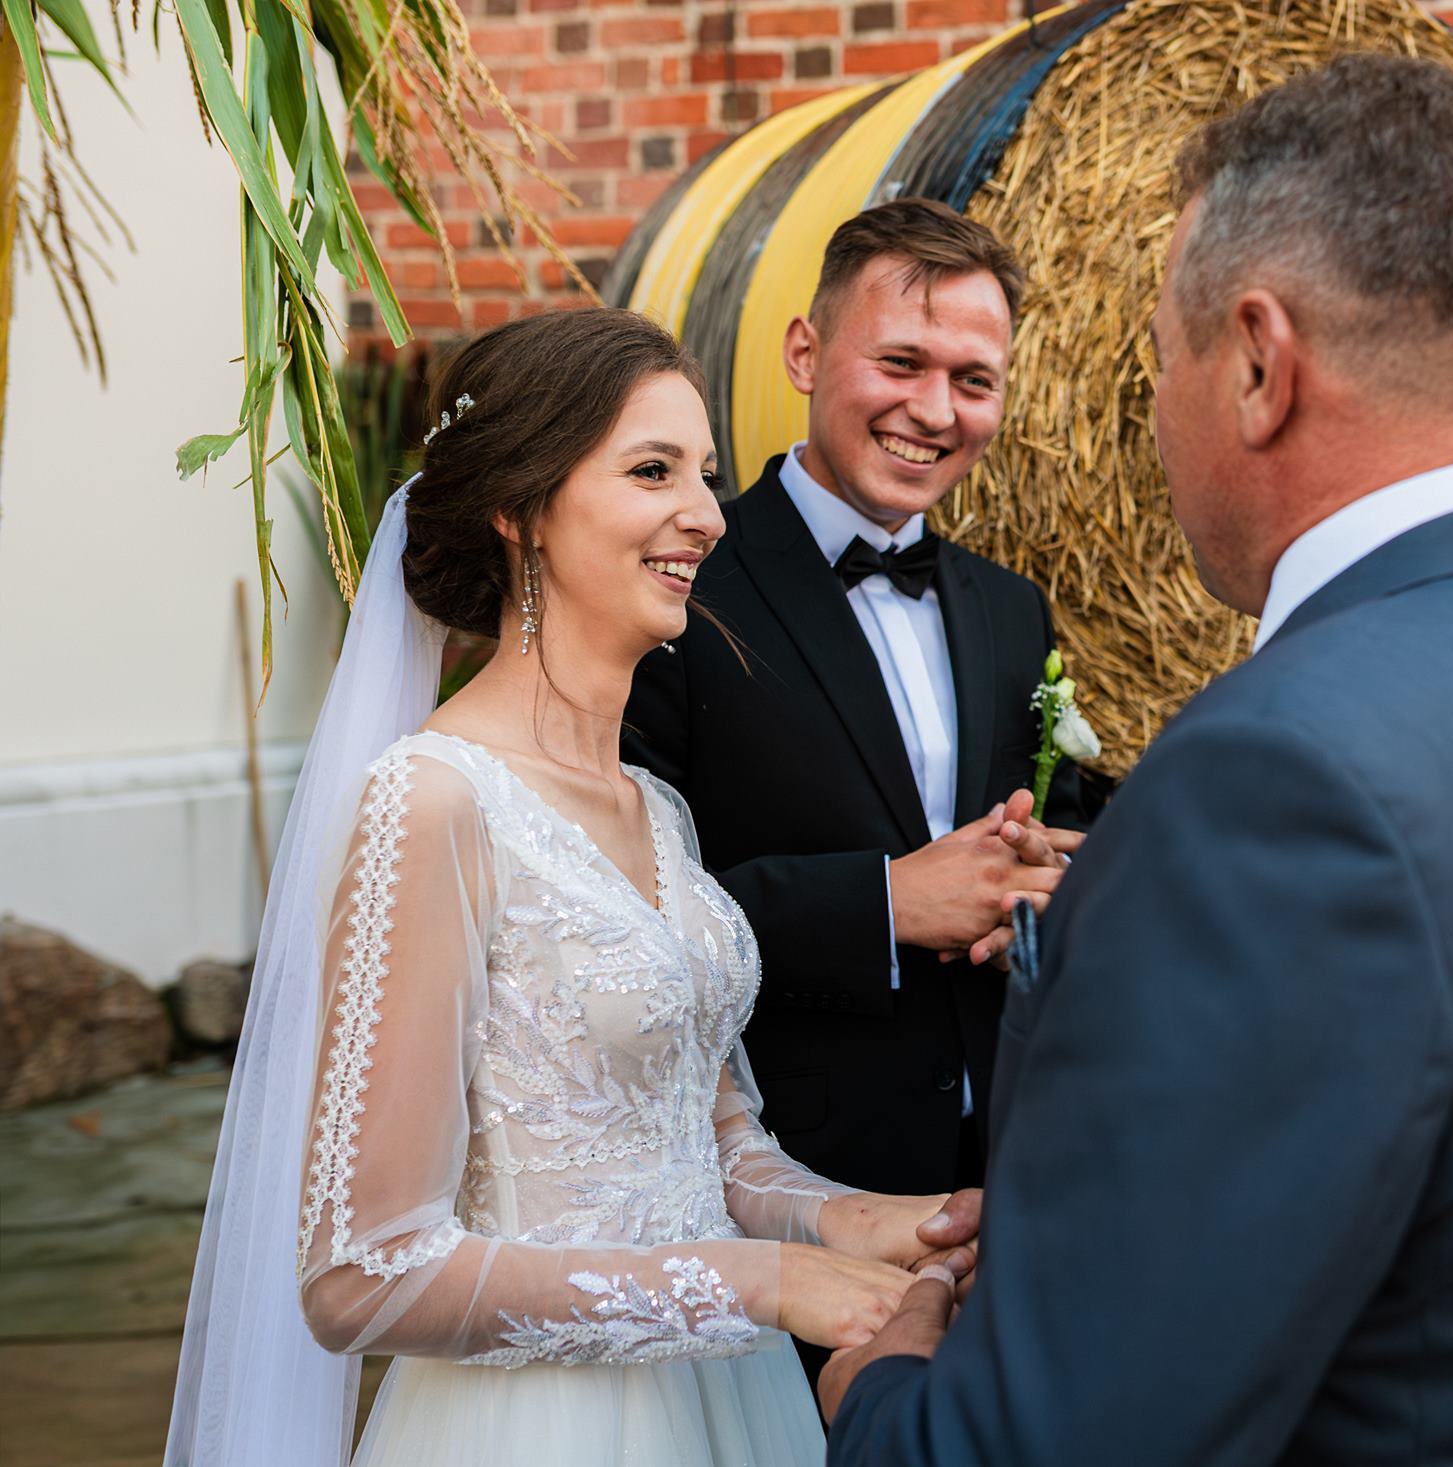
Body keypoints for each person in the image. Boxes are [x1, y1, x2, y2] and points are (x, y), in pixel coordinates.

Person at [819, 54, 1453, 1464]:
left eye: (1162, 359)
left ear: (1261, 363)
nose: (1156, 410)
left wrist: (881, 1387)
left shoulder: (1277, 777)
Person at [165, 309, 979, 1467]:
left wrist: (889, 1223)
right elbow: (360, 1276)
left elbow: (708, 1148)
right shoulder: (434, 800)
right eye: (652, 471)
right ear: (520, 510)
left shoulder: (658, 811)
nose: (706, 514)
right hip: (540, 1429)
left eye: (705, 474)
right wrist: (754, 1285)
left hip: (728, 1405)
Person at [623, 201, 1093, 1235]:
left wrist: (1049, 884)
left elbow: (1059, 825)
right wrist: (883, 904)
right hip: (779, 1175)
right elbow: (615, 904)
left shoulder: (1011, 609)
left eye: (974, 381)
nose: (935, 410)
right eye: (901, 363)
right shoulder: (681, 585)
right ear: (805, 353)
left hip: (1013, 1153)